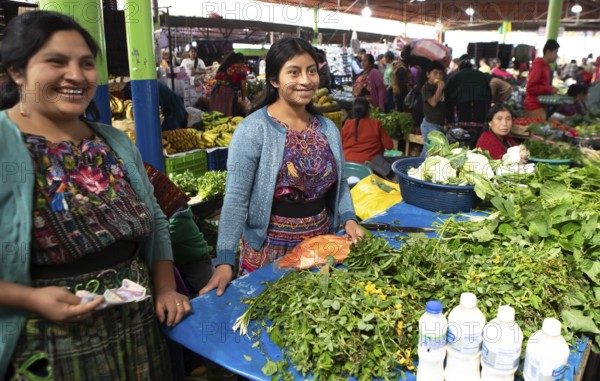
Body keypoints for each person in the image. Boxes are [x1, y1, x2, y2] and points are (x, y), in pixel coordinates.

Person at [0, 11, 191, 381]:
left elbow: (155, 220)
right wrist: (30, 299)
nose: (76, 75)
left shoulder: (113, 140)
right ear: (17, 71)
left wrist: (166, 288)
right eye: (56, 61)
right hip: (51, 336)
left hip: (137, 320)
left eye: (86, 63)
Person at [199, 37, 364, 296]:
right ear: (274, 80)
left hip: (320, 241)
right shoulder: (253, 130)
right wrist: (224, 259)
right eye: (294, 72)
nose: (306, 80)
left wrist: (349, 218)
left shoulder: (328, 129)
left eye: (311, 71)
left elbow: (340, 182)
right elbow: (236, 199)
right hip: (269, 249)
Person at [144, 164, 213, 294]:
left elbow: (161, 238)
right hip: (178, 264)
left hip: (195, 262)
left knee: (208, 294)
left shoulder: (178, 218)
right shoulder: (170, 214)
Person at [444, 54, 491, 128]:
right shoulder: (481, 75)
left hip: (460, 110)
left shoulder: (453, 76)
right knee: (479, 133)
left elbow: (446, 95)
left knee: (461, 134)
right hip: (480, 109)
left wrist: (448, 115)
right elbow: (489, 95)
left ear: (459, 67)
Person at [341, 97, 393, 163]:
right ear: (368, 110)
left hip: (348, 163)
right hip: (370, 166)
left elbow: (340, 144)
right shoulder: (376, 124)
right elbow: (389, 146)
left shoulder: (347, 124)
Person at [524, 39, 560, 120]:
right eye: (555, 52)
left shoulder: (546, 66)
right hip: (534, 105)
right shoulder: (538, 65)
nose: (557, 56)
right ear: (548, 52)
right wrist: (550, 89)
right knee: (537, 131)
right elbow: (531, 88)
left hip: (540, 104)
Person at [210, 52, 248, 117]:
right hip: (228, 93)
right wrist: (243, 98)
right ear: (240, 60)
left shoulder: (223, 67)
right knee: (227, 112)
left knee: (216, 112)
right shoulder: (240, 69)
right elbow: (243, 86)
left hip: (216, 91)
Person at [420, 61, 446, 157]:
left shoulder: (442, 87)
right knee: (429, 151)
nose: (438, 76)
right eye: (435, 73)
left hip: (440, 124)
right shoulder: (426, 88)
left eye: (440, 73)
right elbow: (433, 103)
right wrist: (440, 88)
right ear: (428, 74)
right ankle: (419, 168)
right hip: (430, 124)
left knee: (434, 151)